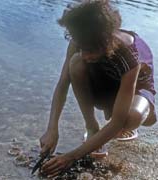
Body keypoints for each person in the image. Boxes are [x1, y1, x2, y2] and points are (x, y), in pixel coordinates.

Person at [40, 0, 157, 177]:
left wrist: (72, 156)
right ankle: (92, 127)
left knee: (129, 118)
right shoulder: (81, 40)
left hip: (135, 88)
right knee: (76, 63)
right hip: (107, 78)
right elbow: (63, 84)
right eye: (83, 48)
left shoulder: (130, 56)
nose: (85, 55)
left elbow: (117, 121)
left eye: (90, 50)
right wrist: (52, 129)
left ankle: (146, 112)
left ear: (106, 41)